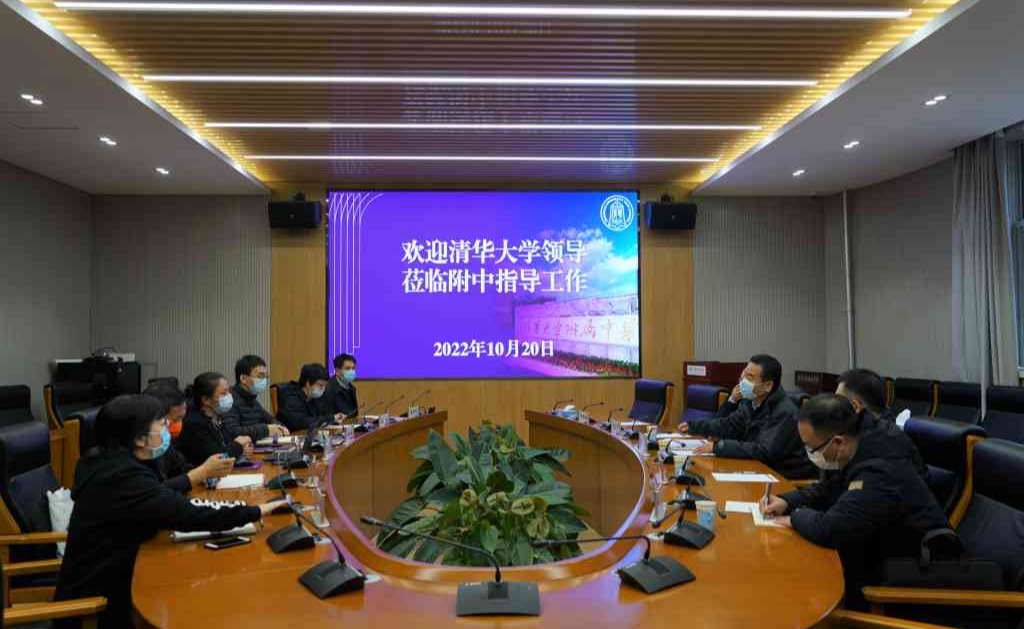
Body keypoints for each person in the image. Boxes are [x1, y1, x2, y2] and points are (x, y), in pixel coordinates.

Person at [53, 395, 285, 629]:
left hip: (123, 576)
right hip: (97, 607)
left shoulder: (112, 464)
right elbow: (187, 513)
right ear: (140, 439)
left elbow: (158, 495)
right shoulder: (121, 477)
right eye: (162, 424)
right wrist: (256, 510)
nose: (168, 431)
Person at [762, 394, 951, 610]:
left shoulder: (880, 469)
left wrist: (794, 517)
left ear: (838, 442)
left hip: (906, 578)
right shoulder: (860, 446)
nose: (809, 455)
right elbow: (829, 488)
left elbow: (829, 529)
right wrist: (786, 501)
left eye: (811, 448)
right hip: (872, 553)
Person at [680, 354, 815, 479]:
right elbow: (729, 425)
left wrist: (718, 447)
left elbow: (764, 451)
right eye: (743, 375)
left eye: (749, 377)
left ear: (768, 385)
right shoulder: (750, 401)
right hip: (754, 469)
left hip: (779, 477)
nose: (742, 381)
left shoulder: (784, 412)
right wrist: (694, 426)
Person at [835, 368, 928, 479]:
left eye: (838, 402)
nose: (834, 408)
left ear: (855, 406)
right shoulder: (876, 428)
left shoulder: (879, 441)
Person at [143, 381, 234, 493]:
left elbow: (180, 467)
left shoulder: (164, 444)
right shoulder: (138, 453)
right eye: (175, 419)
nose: (179, 424)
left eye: (182, 418)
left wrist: (203, 473)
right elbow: (154, 491)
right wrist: (199, 473)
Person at [175, 372, 254, 467]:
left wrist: (243, 450)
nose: (229, 396)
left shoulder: (217, 417)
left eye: (228, 392)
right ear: (206, 400)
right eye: (224, 393)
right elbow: (215, 458)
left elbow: (227, 447)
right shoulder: (194, 423)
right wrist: (238, 445)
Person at [222, 354, 289, 442]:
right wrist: (266, 430)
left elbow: (270, 419)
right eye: (260, 376)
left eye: (266, 377)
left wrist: (280, 427)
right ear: (243, 378)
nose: (264, 380)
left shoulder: (252, 400)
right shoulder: (229, 400)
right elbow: (232, 432)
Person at [276, 363, 344, 431]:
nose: (323, 389)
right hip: (290, 434)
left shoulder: (313, 396)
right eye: (320, 385)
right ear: (308, 383)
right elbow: (300, 422)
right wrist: (328, 419)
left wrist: (333, 419)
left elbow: (322, 415)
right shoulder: (292, 396)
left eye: (325, 385)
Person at [324, 353, 359, 419]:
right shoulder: (328, 388)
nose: (351, 371)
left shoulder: (352, 388)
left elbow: (353, 414)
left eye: (353, 368)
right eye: (347, 368)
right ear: (337, 371)